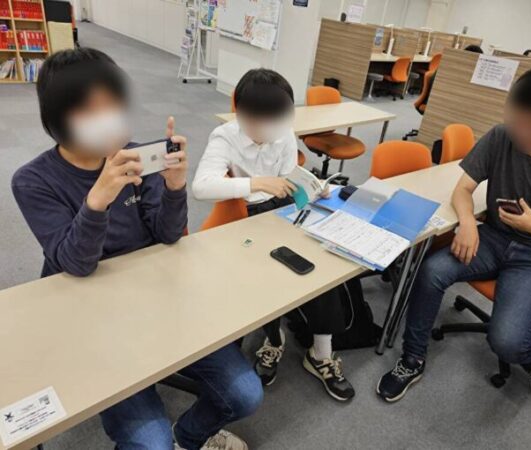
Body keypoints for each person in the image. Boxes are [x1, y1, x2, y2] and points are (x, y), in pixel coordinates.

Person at [12, 48, 262, 450]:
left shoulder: (138, 157)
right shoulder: (33, 180)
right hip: (89, 315)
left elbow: (168, 234)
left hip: (155, 297)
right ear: (59, 117)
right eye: (91, 110)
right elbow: (76, 264)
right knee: (149, 442)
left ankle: (188, 438)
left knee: (245, 394)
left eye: (114, 104)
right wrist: (98, 199)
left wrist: (174, 187)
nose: (108, 119)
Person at [377, 67, 531, 404]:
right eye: (516, 122)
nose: (521, 134)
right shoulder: (501, 137)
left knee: (507, 341)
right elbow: (463, 189)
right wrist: (467, 223)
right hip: (493, 238)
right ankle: (413, 358)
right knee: (432, 271)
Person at [193, 68, 355, 402]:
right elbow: (201, 187)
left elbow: (289, 175)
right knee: (266, 277)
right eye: (263, 120)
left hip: (281, 208)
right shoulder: (225, 137)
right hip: (244, 214)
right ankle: (274, 339)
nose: (272, 127)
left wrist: (313, 187)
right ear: (242, 116)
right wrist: (255, 183)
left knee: (322, 264)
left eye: (278, 118)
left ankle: (321, 353)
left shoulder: (283, 131)